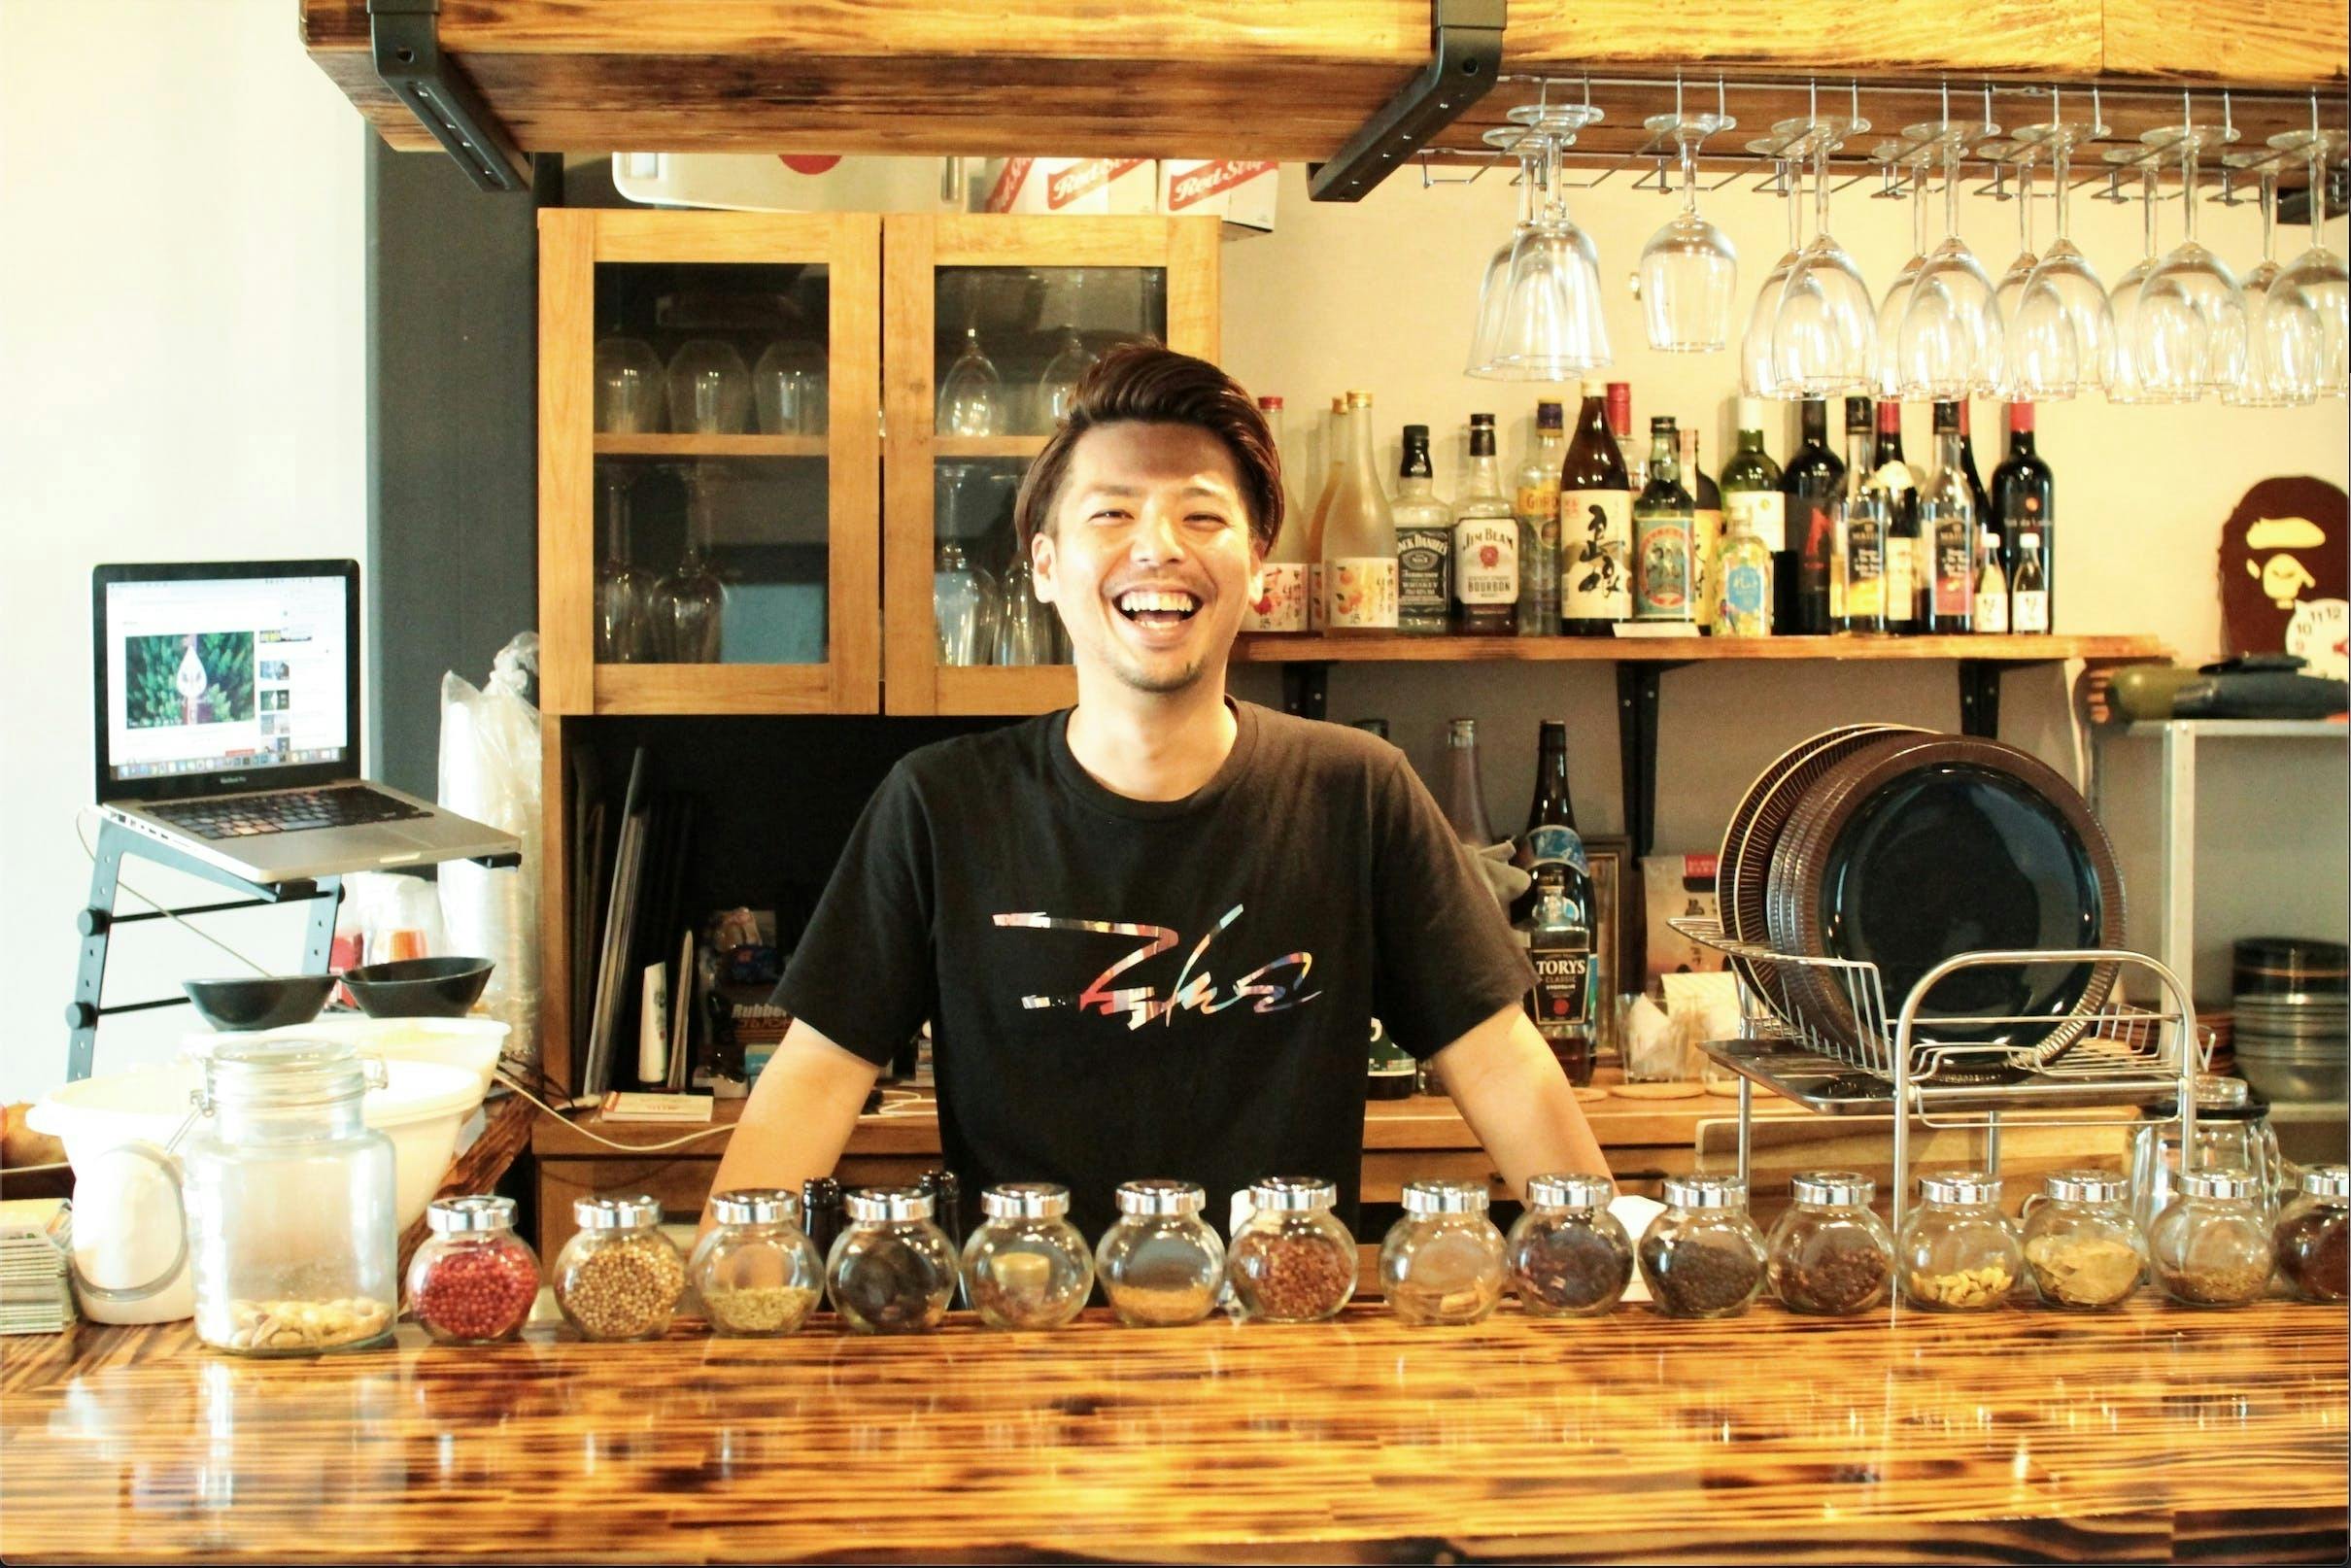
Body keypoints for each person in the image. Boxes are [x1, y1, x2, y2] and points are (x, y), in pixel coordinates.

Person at [706, 345, 1607, 1243]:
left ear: (1259, 566)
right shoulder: (942, 806)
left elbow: (1501, 1061)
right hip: (1032, 1309)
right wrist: (731, 1275)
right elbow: (815, 1075)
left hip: (1280, 1312)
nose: (1158, 547)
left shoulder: (1357, 795)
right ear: (1045, 565)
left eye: (1201, 516)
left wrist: (1600, 1247)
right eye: (1112, 512)